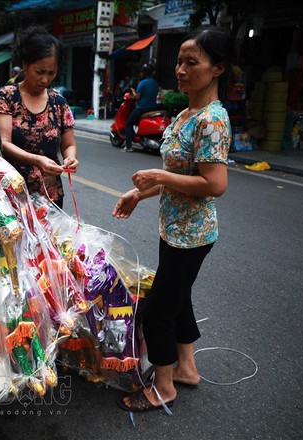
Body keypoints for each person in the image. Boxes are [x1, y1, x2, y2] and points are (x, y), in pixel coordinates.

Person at [112, 27, 234, 413]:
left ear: (217, 69)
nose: (180, 69)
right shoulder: (186, 113)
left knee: (159, 308)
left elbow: (214, 184)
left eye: (191, 62)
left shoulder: (212, 120)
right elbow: (181, 179)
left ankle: (164, 387)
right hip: (176, 230)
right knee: (178, 300)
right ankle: (188, 369)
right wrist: (139, 193)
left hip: (193, 235)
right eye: (179, 61)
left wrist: (160, 178)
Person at [0, 26, 78, 208]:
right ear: (25, 65)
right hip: (13, 190)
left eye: (51, 73)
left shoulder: (59, 103)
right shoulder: (6, 97)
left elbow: (69, 144)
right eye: (40, 72)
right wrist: (36, 160)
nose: (45, 80)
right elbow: (4, 143)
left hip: (50, 195)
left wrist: (70, 158)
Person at [122, 63, 159, 152]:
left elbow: (137, 97)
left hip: (142, 108)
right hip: (153, 108)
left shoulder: (142, 83)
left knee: (128, 124)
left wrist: (133, 92)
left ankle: (128, 146)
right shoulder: (155, 83)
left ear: (144, 73)